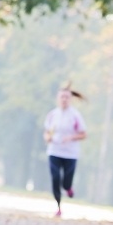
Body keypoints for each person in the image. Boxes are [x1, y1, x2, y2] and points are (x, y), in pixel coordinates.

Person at [43, 83, 87, 217]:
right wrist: (47, 138)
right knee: (55, 178)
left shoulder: (75, 115)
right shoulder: (52, 115)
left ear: (70, 99)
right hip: (54, 151)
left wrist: (71, 137)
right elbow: (46, 132)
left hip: (70, 154)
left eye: (67, 97)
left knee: (66, 182)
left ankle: (68, 188)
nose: (64, 99)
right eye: (62, 97)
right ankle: (58, 206)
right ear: (58, 98)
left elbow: (83, 134)